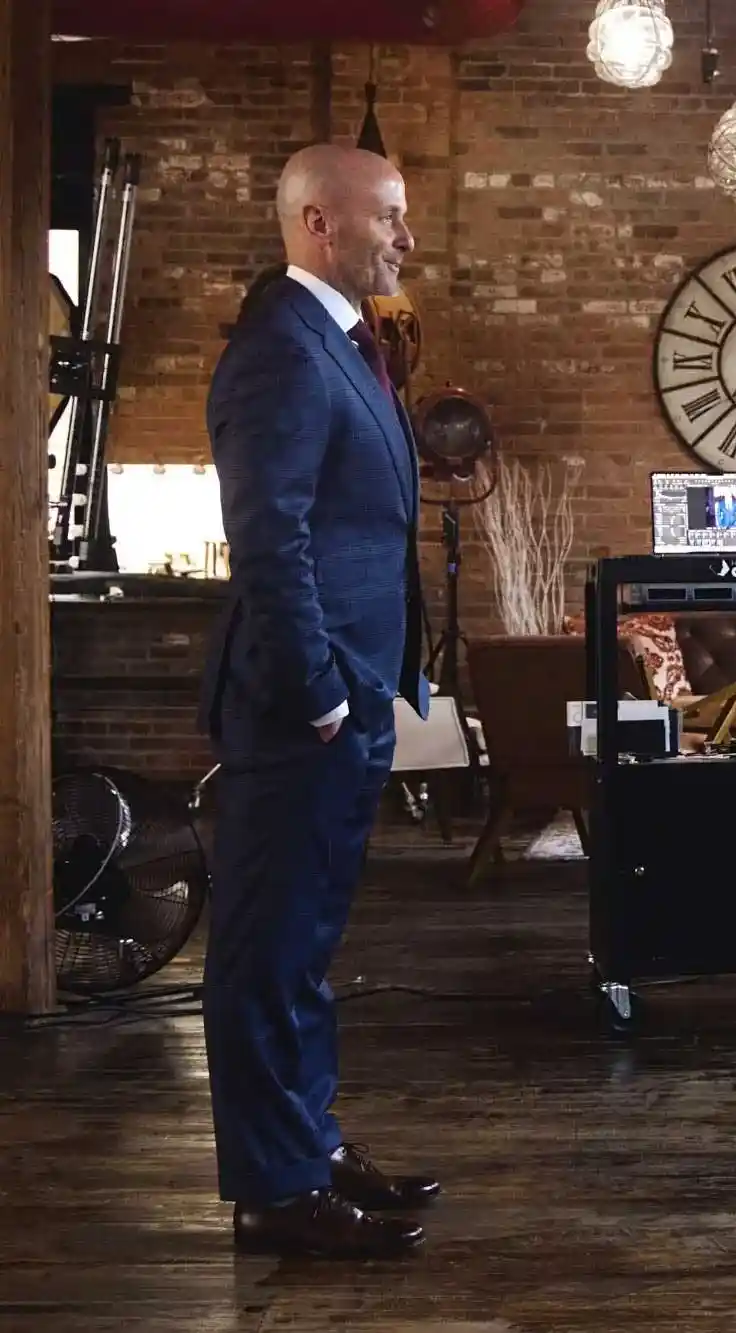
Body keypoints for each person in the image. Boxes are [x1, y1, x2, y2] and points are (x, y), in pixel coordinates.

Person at [198, 142, 438, 1260]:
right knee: (263, 953)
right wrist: (324, 700)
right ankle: (275, 1194)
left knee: (303, 951)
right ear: (318, 224)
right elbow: (270, 540)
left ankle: (309, 1144)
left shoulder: (341, 340)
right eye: (388, 216)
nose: (406, 237)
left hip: (353, 698)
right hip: (306, 710)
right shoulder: (279, 351)